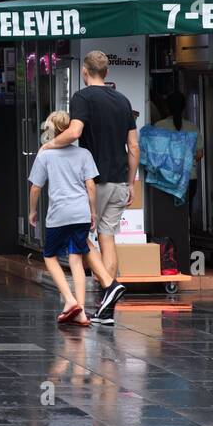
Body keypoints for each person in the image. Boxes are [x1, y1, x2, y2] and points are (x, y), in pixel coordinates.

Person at [43, 50, 136, 323]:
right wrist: (131, 182)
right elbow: (134, 146)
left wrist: (48, 145)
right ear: (106, 73)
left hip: (94, 181)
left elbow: (74, 132)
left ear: (85, 72)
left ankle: (109, 285)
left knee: (80, 236)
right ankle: (107, 307)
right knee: (107, 238)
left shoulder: (82, 97)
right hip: (120, 180)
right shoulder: (123, 100)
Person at [28, 111, 126, 327]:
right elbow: (90, 185)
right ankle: (80, 311)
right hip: (81, 212)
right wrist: (92, 212)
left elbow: (36, 188)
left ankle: (70, 300)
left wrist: (31, 211)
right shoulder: (84, 154)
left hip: (59, 214)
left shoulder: (45, 154)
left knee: (50, 256)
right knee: (76, 258)